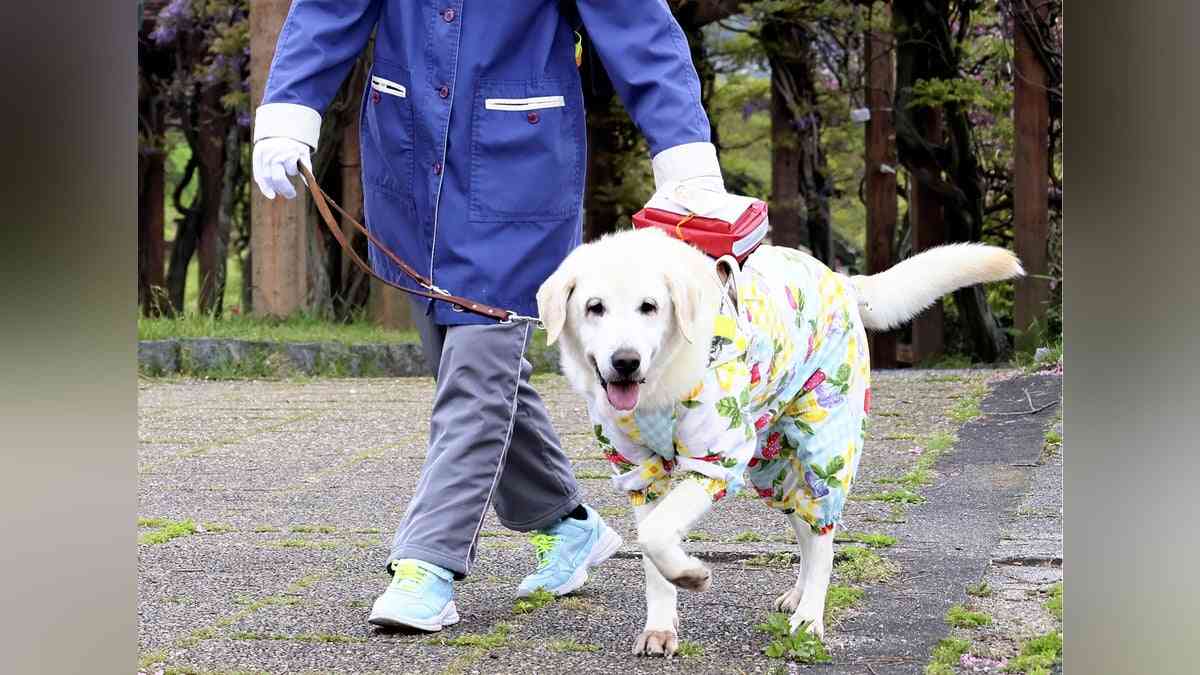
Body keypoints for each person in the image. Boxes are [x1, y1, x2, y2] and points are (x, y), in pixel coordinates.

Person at [251, 0, 760, 632]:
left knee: (475, 374)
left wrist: (684, 154)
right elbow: (330, 7)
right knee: (471, 370)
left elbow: (640, 29)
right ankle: (566, 524)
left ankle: (426, 564)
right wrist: (290, 108)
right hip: (409, 168)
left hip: (517, 178)